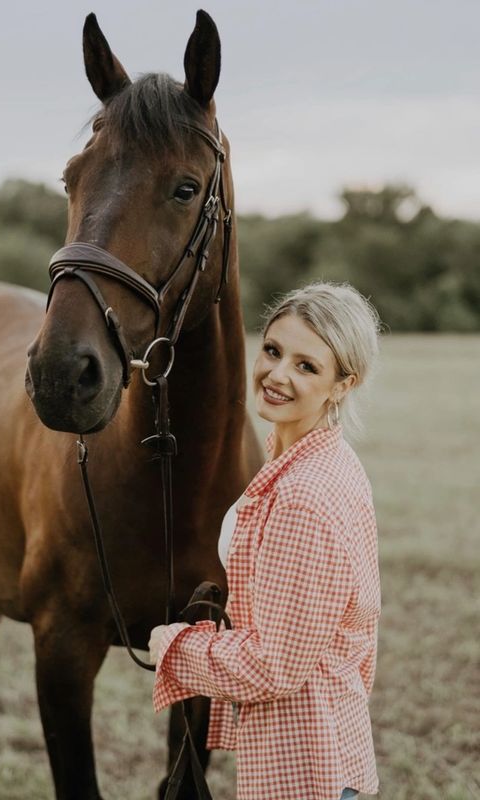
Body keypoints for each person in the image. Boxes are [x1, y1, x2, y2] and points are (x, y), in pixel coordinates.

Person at [149, 282, 382, 800]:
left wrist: (175, 645)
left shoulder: (302, 495)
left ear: (343, 384)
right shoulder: (323, 461)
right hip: (327, 742)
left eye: (307, 366)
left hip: (309, 767)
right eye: (274, 351)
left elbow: (270, 666)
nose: (276, 375)